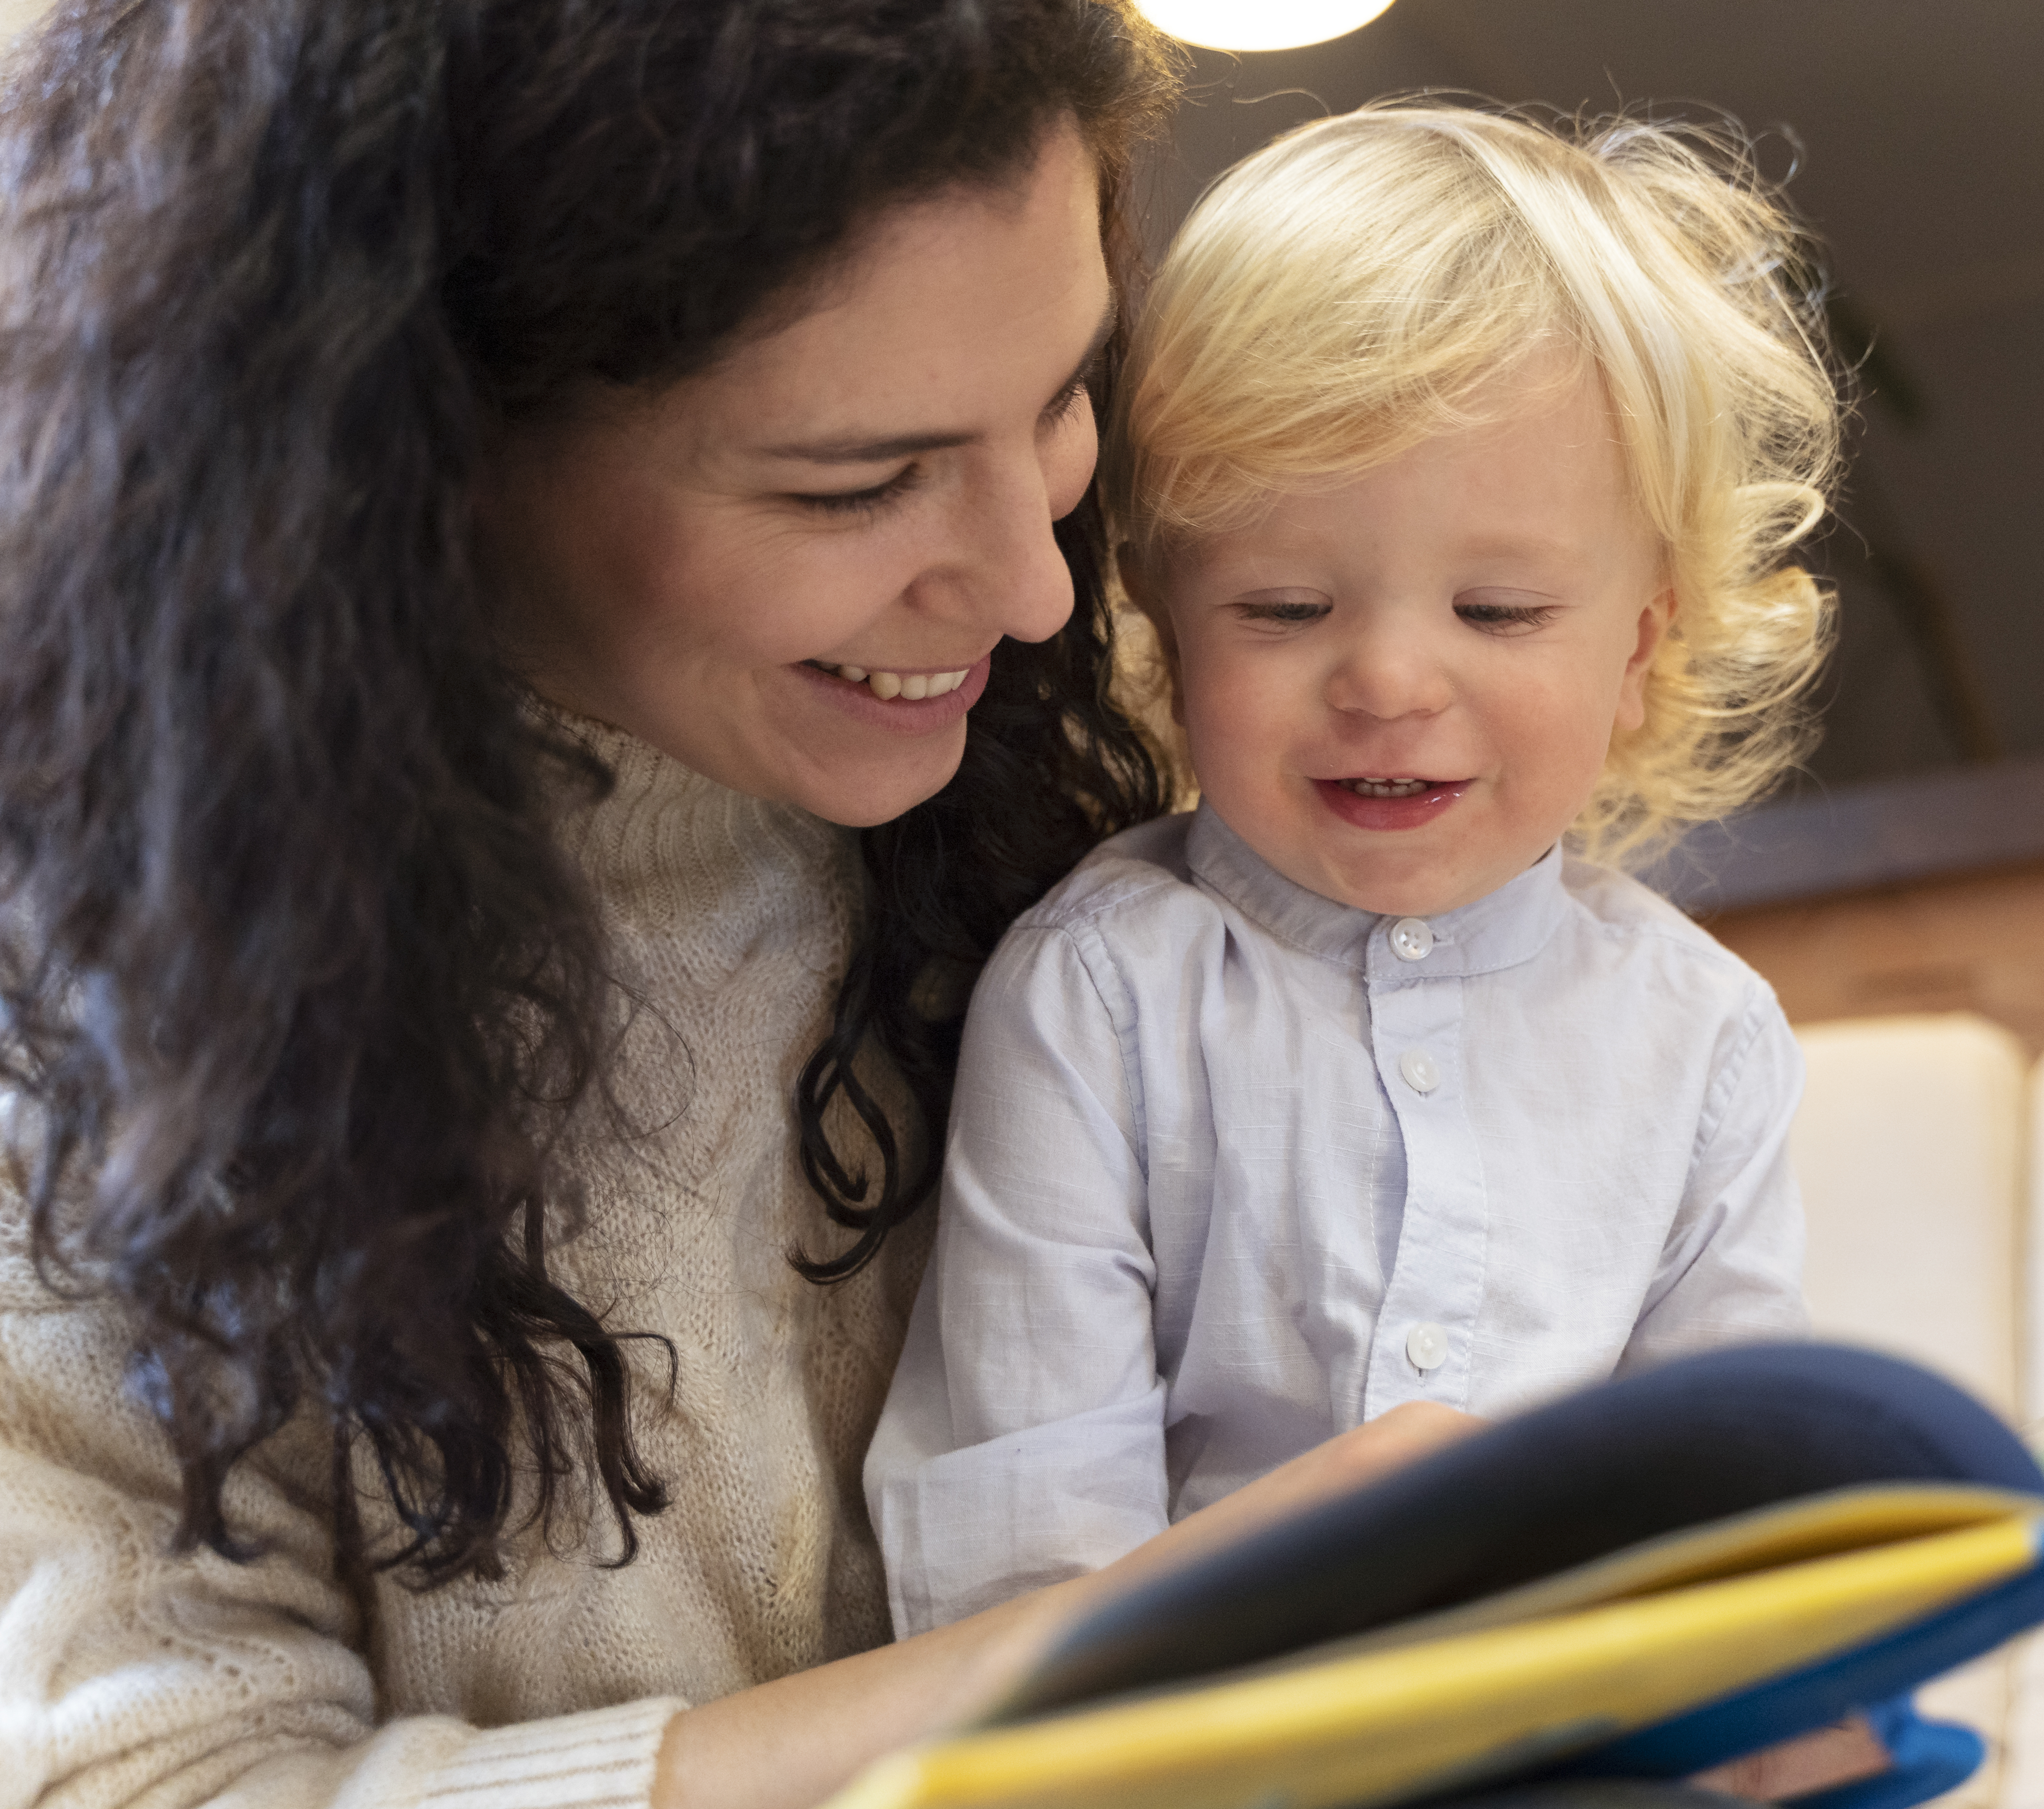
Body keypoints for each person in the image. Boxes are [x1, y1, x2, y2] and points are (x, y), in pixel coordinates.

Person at [0, 7, 1494, 1809]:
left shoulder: (1072, 780)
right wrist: (1092, 1665)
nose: (1033, 585)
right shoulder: (78, 1015)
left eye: (1059, 402)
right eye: (855, 482)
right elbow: (139, 1777)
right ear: (415, 450)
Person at [868, 104, 1843, 1636]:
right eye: (1284, 606)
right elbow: (1027, 1531)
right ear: (1165, 633)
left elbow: (1720, 1490)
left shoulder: (1703, 1044)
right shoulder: (1100, 997)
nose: (1389, 678)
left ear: (1641, 649)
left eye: (1500, 610)